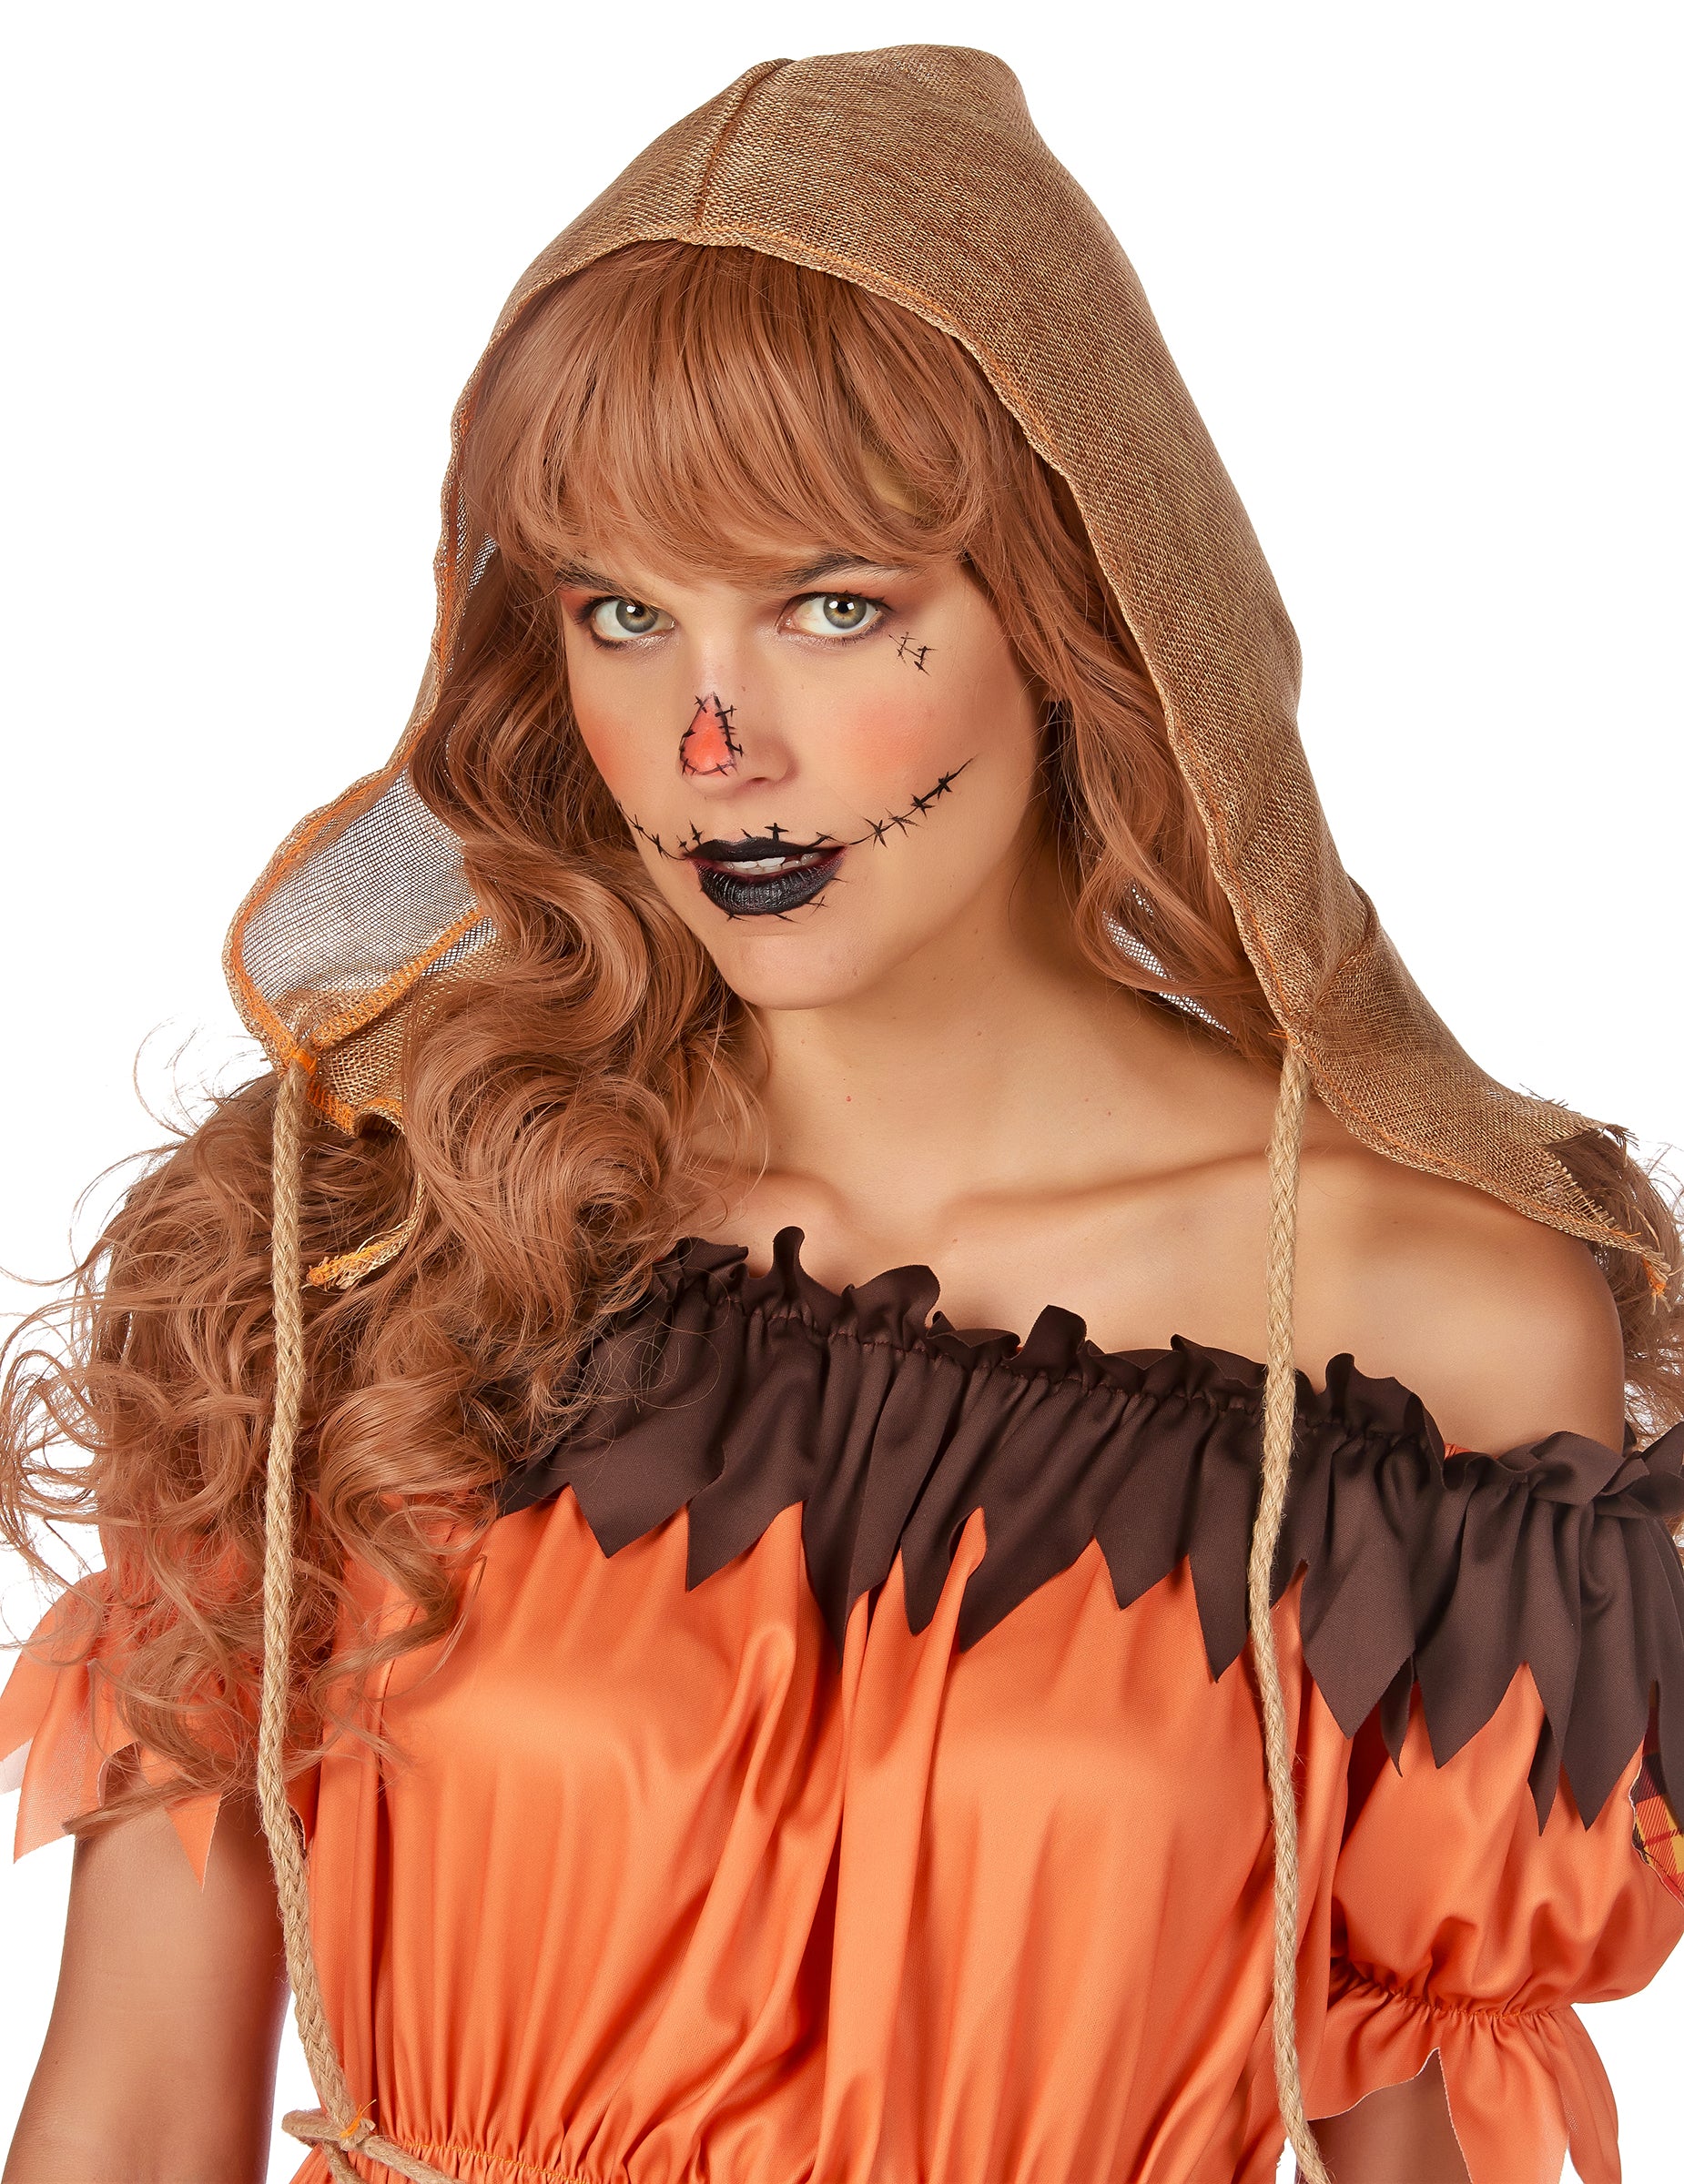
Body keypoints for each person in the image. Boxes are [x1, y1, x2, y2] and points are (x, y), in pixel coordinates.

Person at [3, 43, 1682, 2184]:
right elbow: (134, 2118)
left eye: (830, 608)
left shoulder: (1410, 1320)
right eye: (625, 613)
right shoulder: (366, 1221)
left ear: (1072, 617)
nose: (714, 742)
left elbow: (1417, 2120)